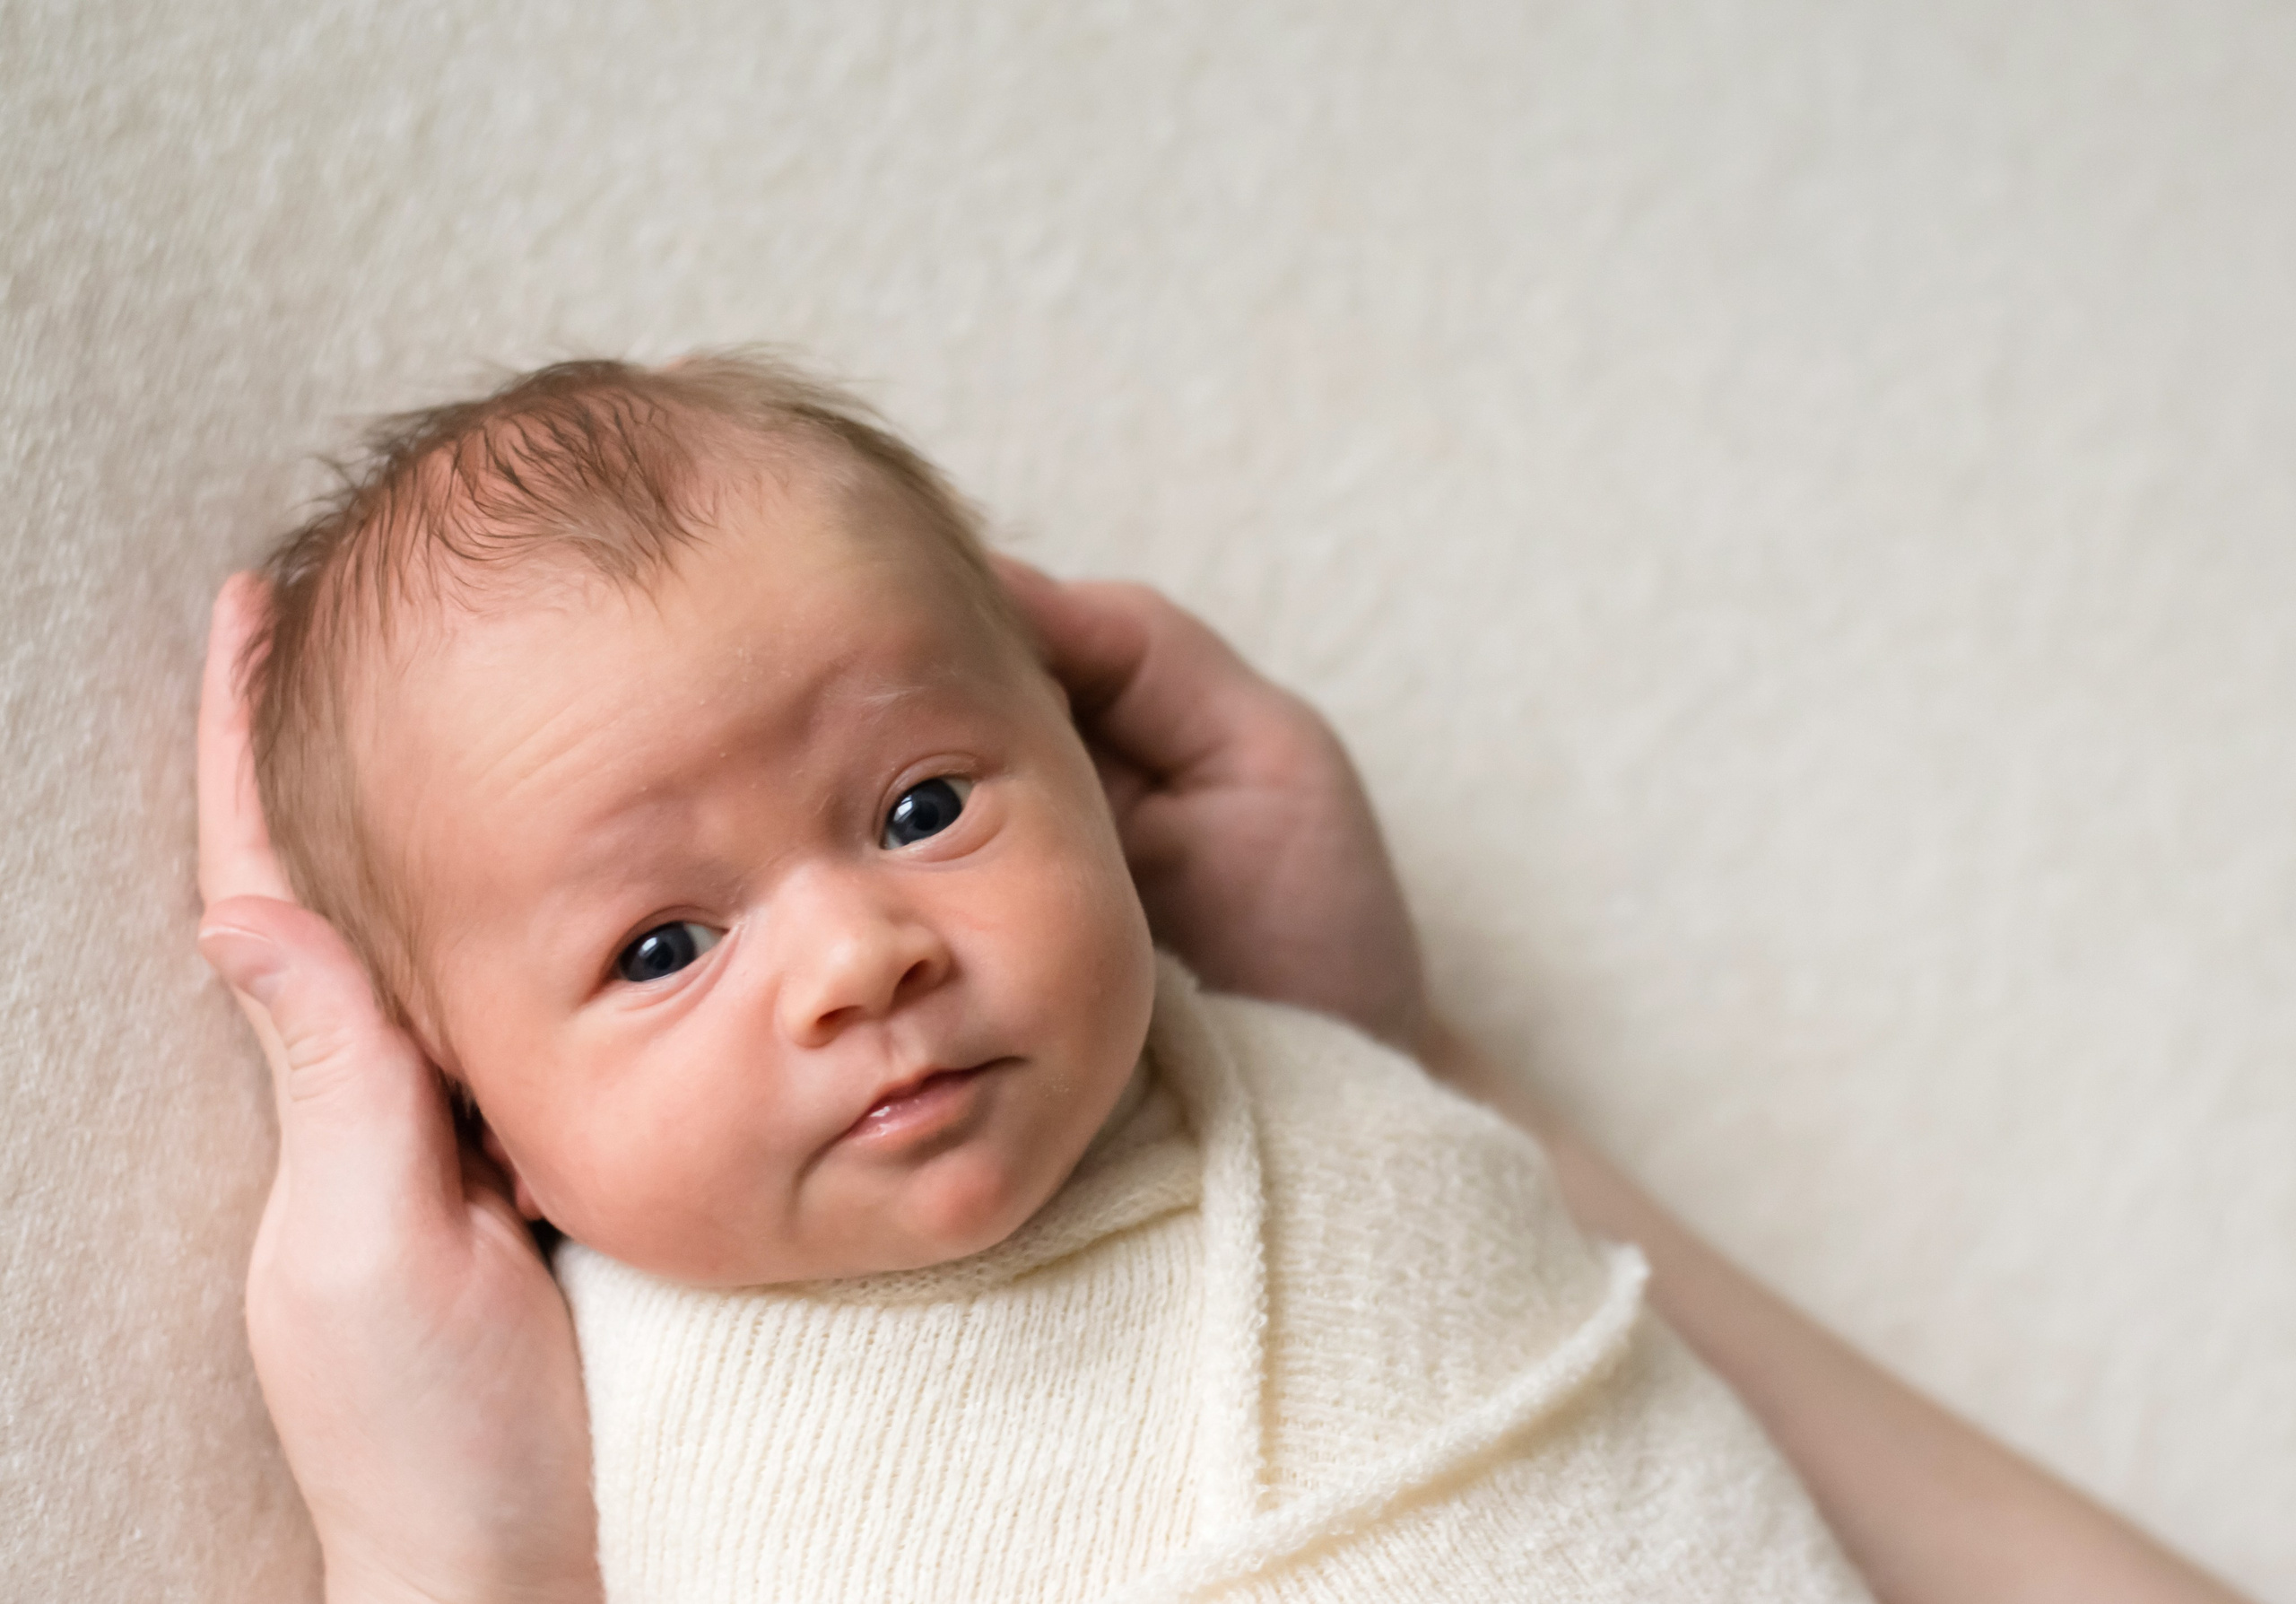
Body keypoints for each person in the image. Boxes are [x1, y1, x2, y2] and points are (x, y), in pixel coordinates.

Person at [196, 368, 2253, 1604]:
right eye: (660, 947)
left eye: (920, 803)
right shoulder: (594, 1457)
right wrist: (448, 1561)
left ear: (1087, 759)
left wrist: (1424, 1065)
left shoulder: (1330, 1095)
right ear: (478, 1118)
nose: (858, 951)